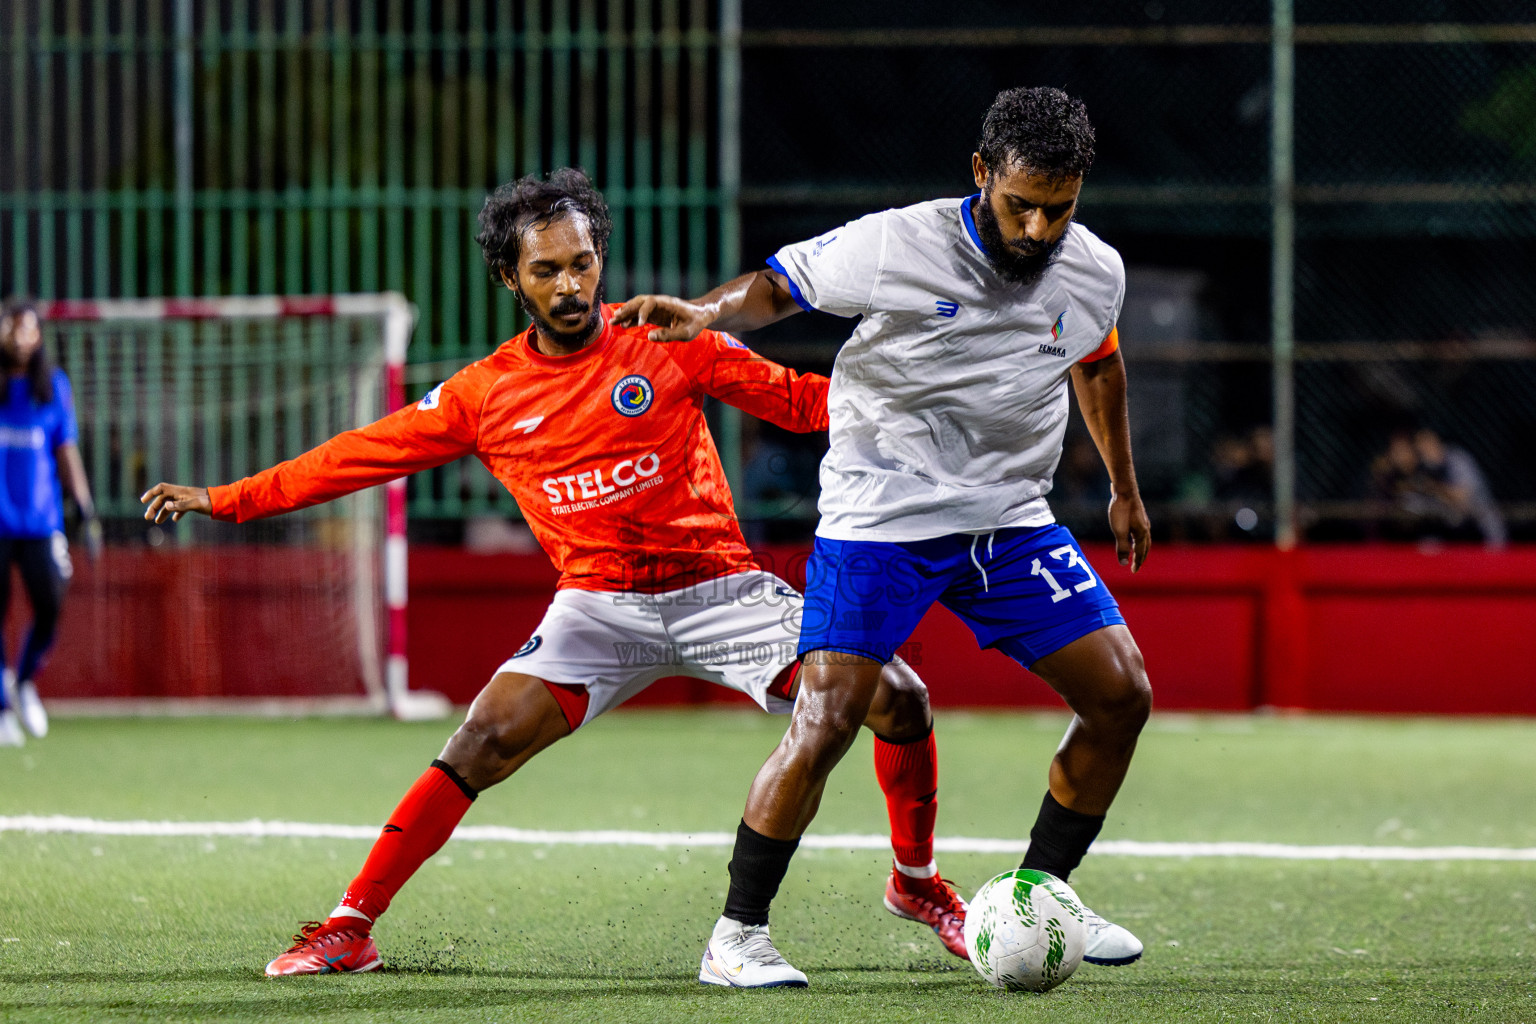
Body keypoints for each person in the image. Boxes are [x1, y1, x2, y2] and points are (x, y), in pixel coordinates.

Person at [141, 169, 967, 985]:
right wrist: (229, 499)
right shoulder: (485, 395)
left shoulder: (667, 341)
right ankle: (349, 927)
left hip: (720, 589)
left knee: (899, 696)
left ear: (600, 256)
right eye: (546, 270)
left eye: (582, 263)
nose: (570, 285)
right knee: (482, 738)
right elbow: (357, 455)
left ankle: (917, 883)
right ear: (510, 278)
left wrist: (932, 405)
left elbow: (807, 403)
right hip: (598, 608)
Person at [617, 86, 1154, 982]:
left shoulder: (1095, 268)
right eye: (1020, 204)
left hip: (1008, 520)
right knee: (828, 719)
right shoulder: (898, 243)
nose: (1037, 229)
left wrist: (1123, 488)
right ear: (981, 173)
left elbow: (1097, 362)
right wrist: (708, 314)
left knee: (1121, 695)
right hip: (880, 517)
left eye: (1058, 210)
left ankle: (1041, 896)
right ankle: (737, 935)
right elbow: (778, 287)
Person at [0, 298, 100, 747]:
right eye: (11, 327)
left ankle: (23, 682)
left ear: (38, 335)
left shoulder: (53, 386)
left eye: (27, 328)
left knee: (51, 603)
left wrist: (86, 508)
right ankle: (2, 710)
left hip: (41, 521)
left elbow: (66, 450)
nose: (19, 337)